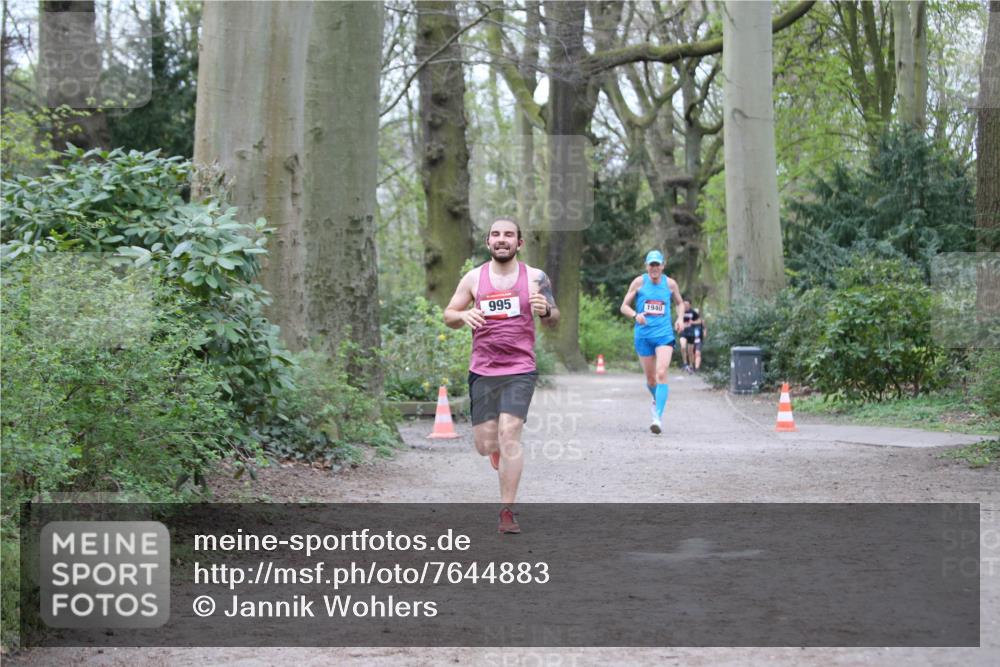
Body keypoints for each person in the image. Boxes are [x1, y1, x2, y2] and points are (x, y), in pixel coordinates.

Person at [444, 217, 559, 534]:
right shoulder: (474, 278)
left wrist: (546, 310)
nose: (502, 239)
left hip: (520, 368)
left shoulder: (535, 278)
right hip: (482, 369)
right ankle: (493, 450)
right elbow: (448, 315)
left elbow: (554, 316)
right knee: (485, 444)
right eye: (496, 234)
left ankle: (507, 511)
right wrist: (463, 314)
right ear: (488, 242)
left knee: (511, 435)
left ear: (519, 243)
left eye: (509, 235)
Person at [619, 250, 684, 434]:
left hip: (664, 335)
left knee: (662, 373)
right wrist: (635, 315)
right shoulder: (639, 282)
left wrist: (680, 319)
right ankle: (657, 399)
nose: (654, 268)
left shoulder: (670, 284)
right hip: (643, 335)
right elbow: (623, 306)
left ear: (663, 265)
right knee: (650, 379)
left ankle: (658, 417)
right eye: (651, 265)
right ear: (647, 266)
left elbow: (679, 303)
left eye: (657, 264)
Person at [679, 299, 705, 373]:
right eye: (684, 304)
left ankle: (691, 365)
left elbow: (700, 321)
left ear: (690, 305)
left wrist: (693, 322)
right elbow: (678, 320)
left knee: (690, 351)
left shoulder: (693, 312)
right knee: (683, 346)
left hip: (691, 333)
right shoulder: (681, 312)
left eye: (687, 304)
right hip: (683, 332)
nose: (685, 306)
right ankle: (685, 363)